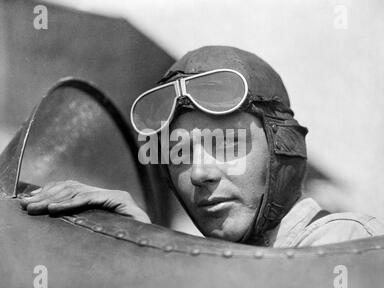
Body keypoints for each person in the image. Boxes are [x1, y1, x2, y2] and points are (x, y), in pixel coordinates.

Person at [20, 46, 384, 247]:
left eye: (228, 143)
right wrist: (145, 244)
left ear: (281, 148)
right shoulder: (222, 258)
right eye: (180, 152)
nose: (199, 173)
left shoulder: (340, 242)